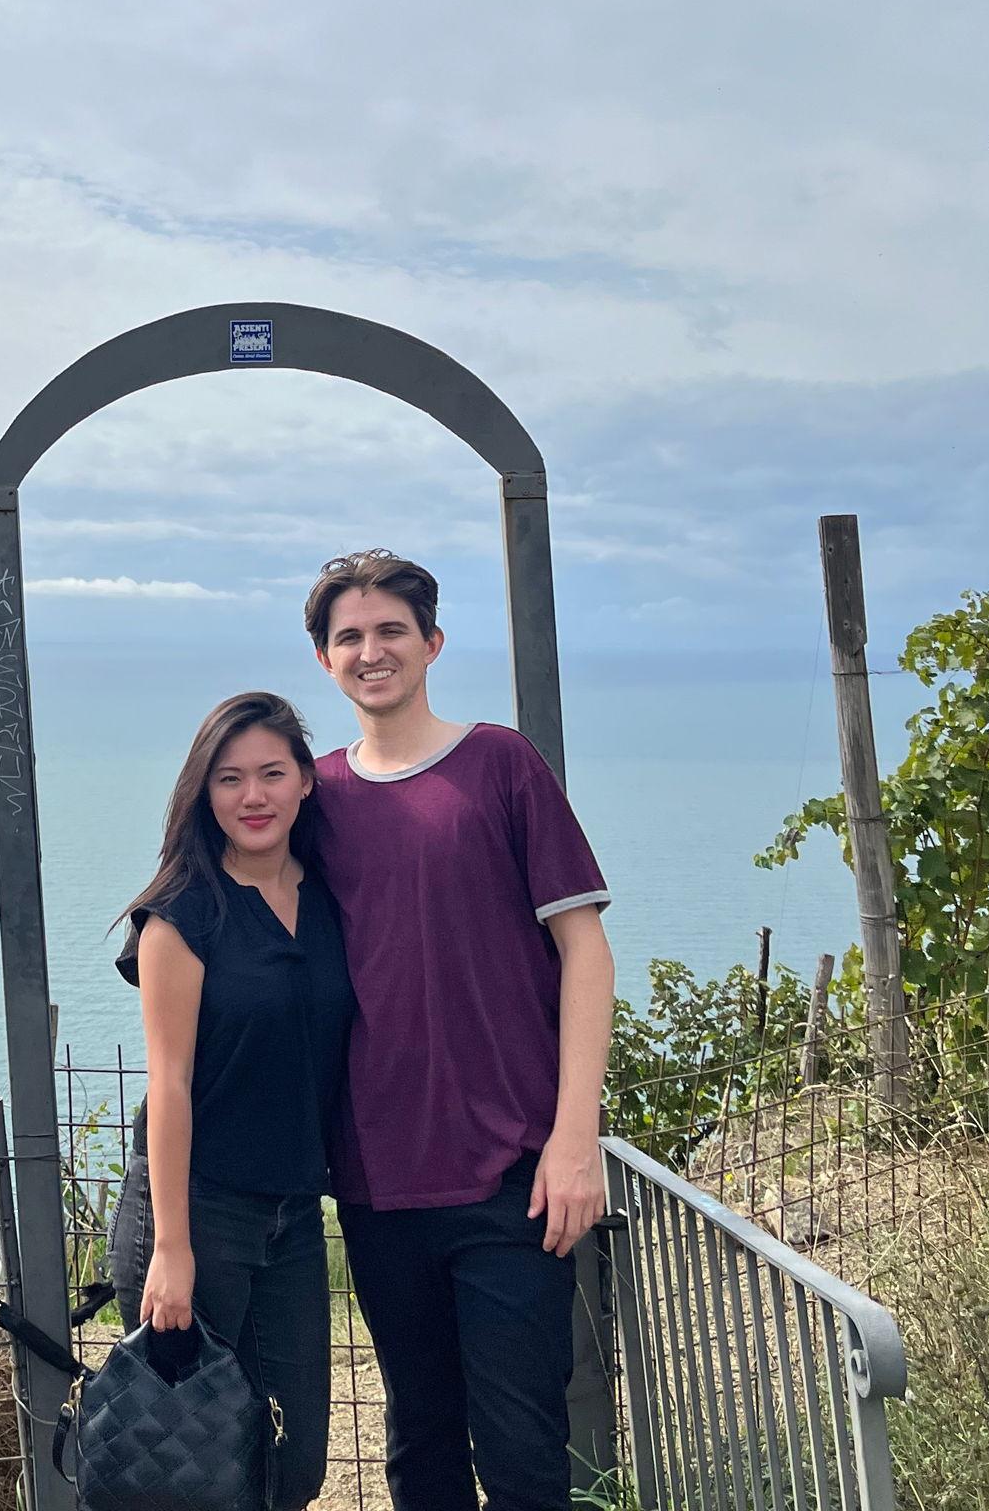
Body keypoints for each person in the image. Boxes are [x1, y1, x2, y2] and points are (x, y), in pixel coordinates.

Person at [304, 549, 615, 1511]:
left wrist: (574, 1140)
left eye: (391, 630)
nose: (371, 651)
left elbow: (587, 955)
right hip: (378, 1180)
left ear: (432, 643)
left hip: (515, 1178)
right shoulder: (311, 798)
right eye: (349, 636)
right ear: (323, 659)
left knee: (524, 1457)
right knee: (421, 1452)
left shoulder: (500, 765)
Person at [109, 691, 356, 1510]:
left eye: (272, 774)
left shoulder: (330, 898)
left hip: (289, 1213)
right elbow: (168, 1084)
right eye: (229, 779)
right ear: (202, 794)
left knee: (295, 1463)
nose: (253, 797)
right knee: (189, 1463)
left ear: (307, 783)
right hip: (195, 1211)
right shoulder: (181, 917)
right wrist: (172, 1249)